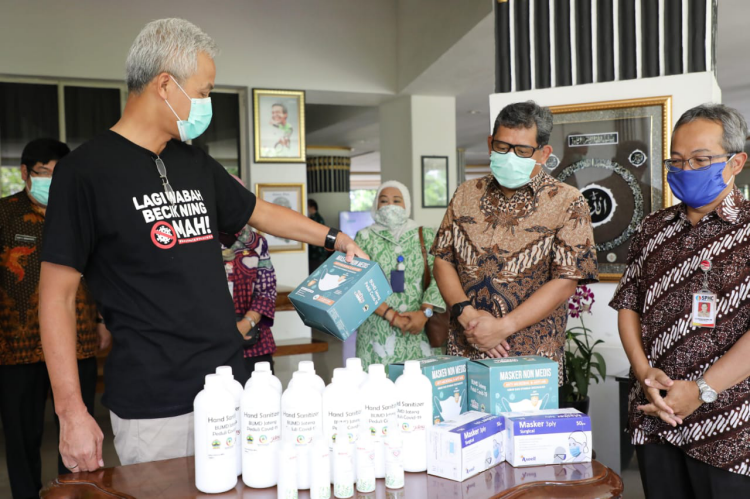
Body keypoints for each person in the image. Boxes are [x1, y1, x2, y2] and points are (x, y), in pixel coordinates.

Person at [38, 18, 365, 472]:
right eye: (205, 90)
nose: (207, 103)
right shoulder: (84, 173)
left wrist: (334, 238)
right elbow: (55, 297)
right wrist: (70, 411)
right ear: (166, 85)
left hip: (231, 385)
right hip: (155, 402)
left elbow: (261, 212)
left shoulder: (194, 162)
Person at [610, 103, 750, 497]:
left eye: (701, 160)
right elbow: (628, 305)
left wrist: (703, 390)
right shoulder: (653, 228)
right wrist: (642, 371)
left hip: (729, 427)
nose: (685, 170)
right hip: (657, 417)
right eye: (677, 161)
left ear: (735, 162)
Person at [430, 101, 598, 382]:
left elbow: (566, 280)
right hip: (464, 351)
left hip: (530, 359)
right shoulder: (466, 194)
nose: (509, 156)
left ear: (543, 153)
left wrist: (503, 327)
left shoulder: (568, 201)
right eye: (502, 147)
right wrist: (466, 314)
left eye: (521, 151)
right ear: (489, 143)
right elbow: (442, 259)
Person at [0, 139, 110, 498]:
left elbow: (103, 270)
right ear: (24, 174)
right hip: (17, 345)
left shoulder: (83, 212)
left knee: (78, 431)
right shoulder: (5, 214)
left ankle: (75, 493)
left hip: (76, 341)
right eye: (42, 173)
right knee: (22, 436)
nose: (50, 180)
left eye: (57, 174)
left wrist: (103, 320)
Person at [353, 181, 446, 370]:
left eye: (397, 201)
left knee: (418, 390)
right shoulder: (364, 238)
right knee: (378, 391)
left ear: (407, 205)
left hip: (420, 329)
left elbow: (440, 277)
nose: (390, 206)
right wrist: (391, 315)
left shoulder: (425, 234)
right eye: (383, 201)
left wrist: (424, 313)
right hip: (376, 331)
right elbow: (359, 282)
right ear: (376, 206)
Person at [221, 176, 278, 374]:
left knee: (260, 401)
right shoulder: (198, 242)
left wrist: (246, 324)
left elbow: (267, 290)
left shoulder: (256, 242)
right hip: (210, 343)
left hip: (253, 342)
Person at [308, 198, 328, 272]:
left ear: (312, 207)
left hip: (317, 254)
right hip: (316, 254)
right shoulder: (314, 218)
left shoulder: (316, 219)